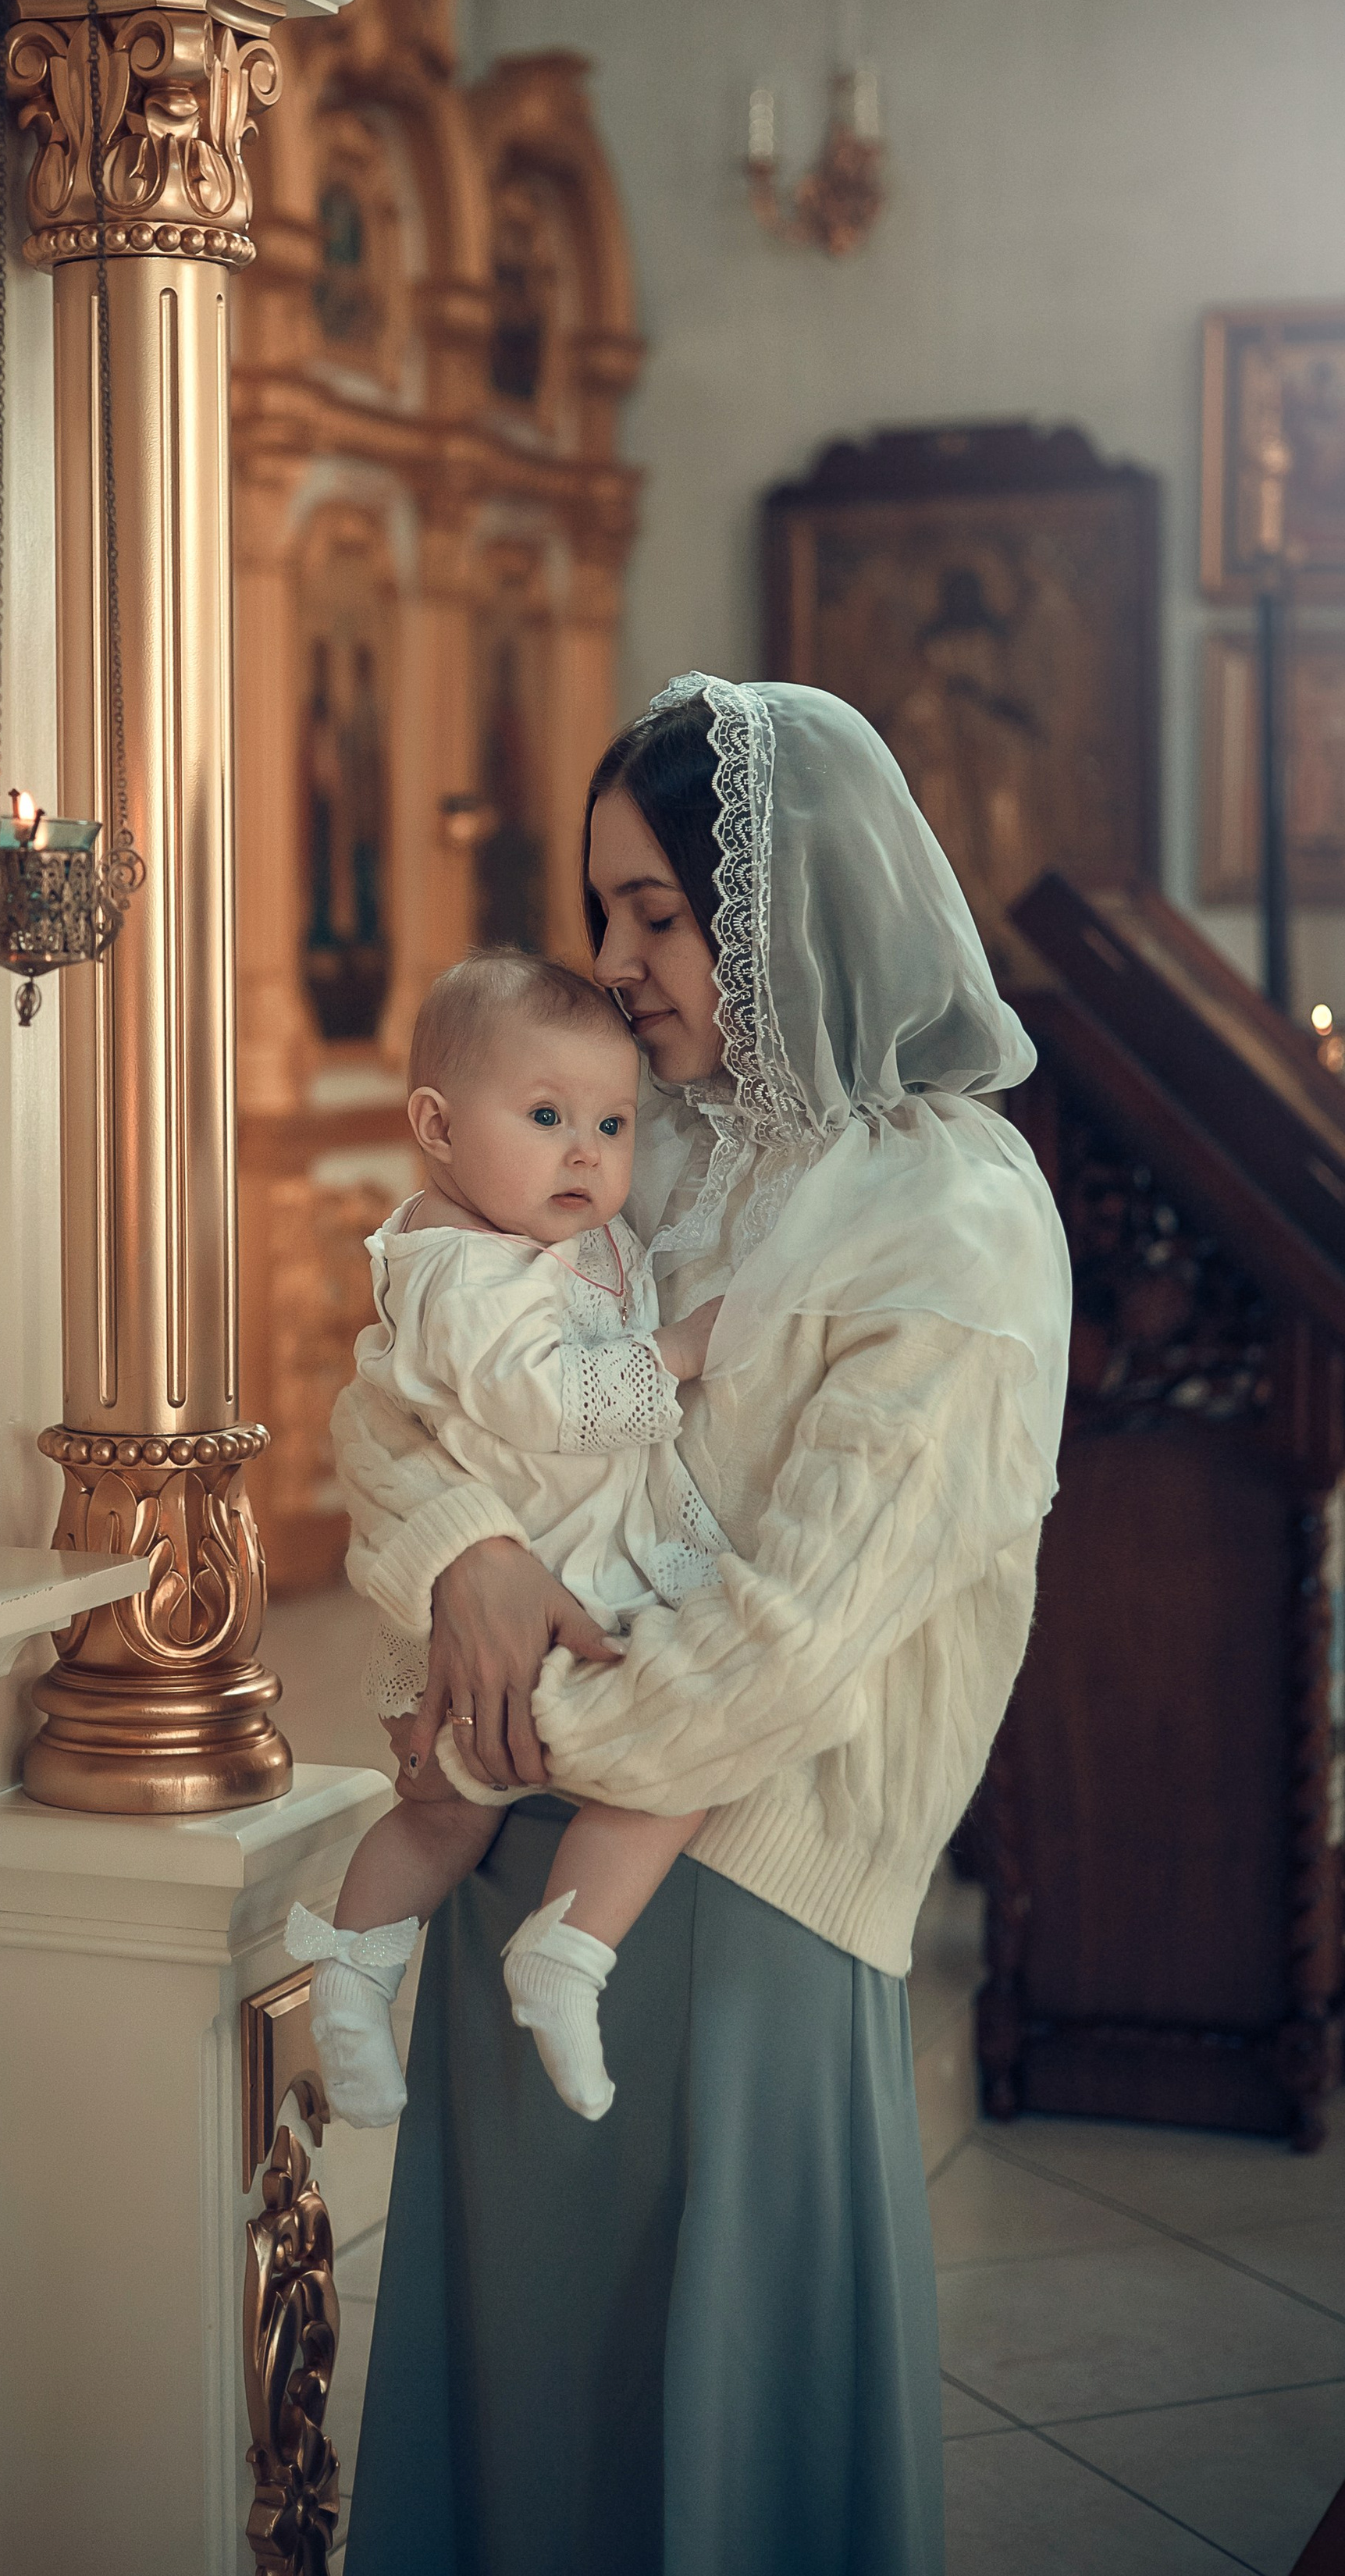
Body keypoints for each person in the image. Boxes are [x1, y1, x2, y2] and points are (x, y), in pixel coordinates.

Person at [330, 674, 1072, 2576]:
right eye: (600, 911)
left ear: (786, 900)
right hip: (521, 1856)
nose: (613, 961)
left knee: (706, 2443)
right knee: (520, 2422)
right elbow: (398, 1400)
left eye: (656, 912)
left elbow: (801, 1630)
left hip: (738, 1887)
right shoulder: (628, 1143)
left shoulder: (955, 1216)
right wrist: (462, 1566)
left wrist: (512, 1743)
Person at [286, 950, 727, 2126]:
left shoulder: (542, 1239)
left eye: (612, 1121)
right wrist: (674, 1355)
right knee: (645, 1762)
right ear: (436, 1125)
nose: (587, 1151)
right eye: (546, 1116)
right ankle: (448, 1967)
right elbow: (541, 1399)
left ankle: (432, 1966)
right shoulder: (459, 1271)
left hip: (543, 1592)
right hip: (530, 1610)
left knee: (457, 1808)